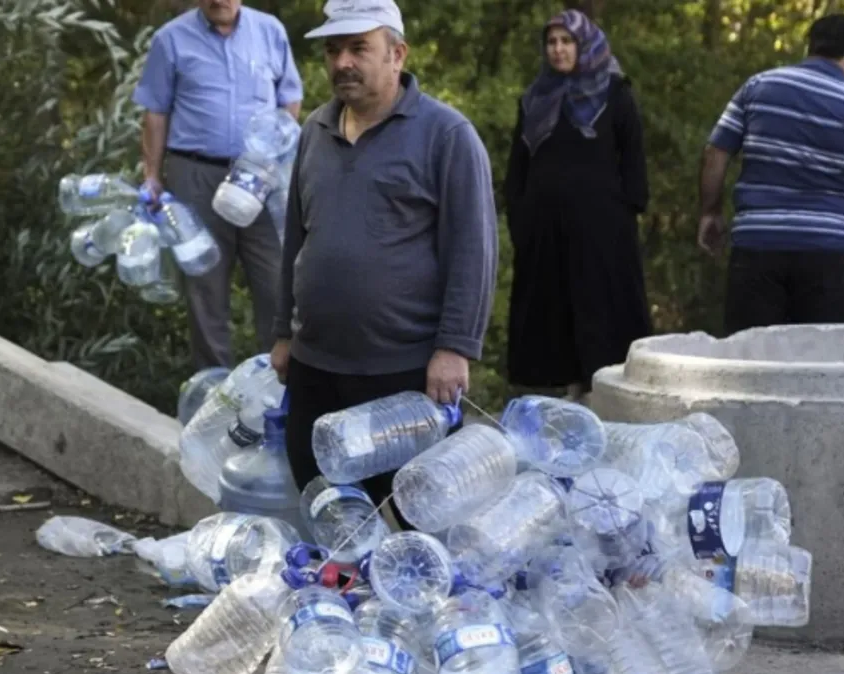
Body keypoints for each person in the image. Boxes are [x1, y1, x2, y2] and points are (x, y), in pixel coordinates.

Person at [271, 0, 498, 524]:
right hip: (316, 365)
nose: (342, 62)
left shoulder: (446, 135)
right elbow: (295, 240)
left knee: (420, 519)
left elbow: (474, 249)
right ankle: (342, 598)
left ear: (397, 54)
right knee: (329, 509)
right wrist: (284, 332)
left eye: (358, 48)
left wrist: (455, 347)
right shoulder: (315, 132)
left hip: (403, 371)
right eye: (333, 50)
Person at [132, 0, 304, 370]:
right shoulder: (171, 39)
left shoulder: (270, 31)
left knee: (278, 284)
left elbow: (290, 99)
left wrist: (274, 152)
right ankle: (215, 398)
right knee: (204, 292)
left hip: (260, 177)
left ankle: (277, 395)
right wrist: (152, 175)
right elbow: (155, 112)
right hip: (195, 175)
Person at [503, 9, 652, 403]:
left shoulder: (615, 94)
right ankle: (558, 392)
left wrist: (628, 210)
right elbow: (518, 165)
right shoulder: (535, 98)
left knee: (601, 307)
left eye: (566, 41)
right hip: (544, 228)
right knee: (551, 308)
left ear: (585, 45)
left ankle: (602, 391)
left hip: (602, 228)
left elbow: (632, 157)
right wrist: (520, 216)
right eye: (551, 42)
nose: (558, 49)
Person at [698, 13, 844, 334]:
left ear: (810, 47)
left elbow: (716, 152)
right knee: (820, 367)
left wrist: (710, 212)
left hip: (757, 243)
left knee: (749, 360)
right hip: (829, 251)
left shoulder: (759, 85)